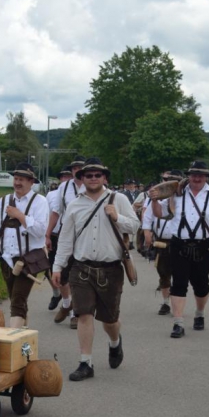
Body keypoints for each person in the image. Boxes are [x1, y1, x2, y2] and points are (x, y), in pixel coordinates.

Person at [51, 158, 139, 381]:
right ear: (82, 179)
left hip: (110, 269)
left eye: (97, 175)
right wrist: (58, 267)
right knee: (83, 314)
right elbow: (65, 239)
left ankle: (115, 342)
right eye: (88, 175)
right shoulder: (75, 205)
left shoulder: (118, 199)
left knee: (110, 321)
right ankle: (85, 363)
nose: (92, 179)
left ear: (104, 178)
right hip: (81, 268)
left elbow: (135, 226)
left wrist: (117, 217)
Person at [149, 161, 209, 338]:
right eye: (194, 175)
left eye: (201, 175)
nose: (197, 178)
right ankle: (178, 323)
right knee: (179, 283)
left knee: (201, 285)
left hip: (203, 245)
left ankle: (199, 313)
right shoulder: (176, 192)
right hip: (179, 244)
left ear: (206, 177)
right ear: (189, 176)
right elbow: (160, 213)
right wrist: (154, 200)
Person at [0, 162, 50, 327]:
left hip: (28, 262)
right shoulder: (4, 201)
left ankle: (12, 338)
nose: (17, 182)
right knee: (16, 300)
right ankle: (24, 337)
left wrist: (20, 215)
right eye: (16, 179)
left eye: (22, 179)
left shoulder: (40, 202)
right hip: (6, 260)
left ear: (31, 182)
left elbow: (40, 231)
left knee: (17, 302)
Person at [46, 156, 86, 329]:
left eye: (80, 168)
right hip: (66, 232)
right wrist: (48, 234)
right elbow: (56, 212)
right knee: (62, 273)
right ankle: (66, 303)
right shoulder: (64, 187)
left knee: (80, 275)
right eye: (74, 168)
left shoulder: (92, 186)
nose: (77, 171)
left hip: (86, 234)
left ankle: (75, 313)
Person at [142, 170, 183, 316]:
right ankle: (166, 303)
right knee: (164, 274)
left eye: (174, 180)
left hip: (180, 242)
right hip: (162, 242)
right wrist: (147, 233)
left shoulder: (185, 201)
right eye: (167, 180)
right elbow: (148, 217)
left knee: (180, 275)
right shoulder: (157, 199)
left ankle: (177, 304)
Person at [44, 166, 73, 310]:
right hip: (55, 234)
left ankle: (70, 304)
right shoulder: (51, 194)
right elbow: (49, 213)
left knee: (69, 270)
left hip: (71, 235)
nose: (65, 179)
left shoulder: (77, 191)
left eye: (68, 176)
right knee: (50, 268)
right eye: (63, 176)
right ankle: (56, 294)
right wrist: (47, 234)